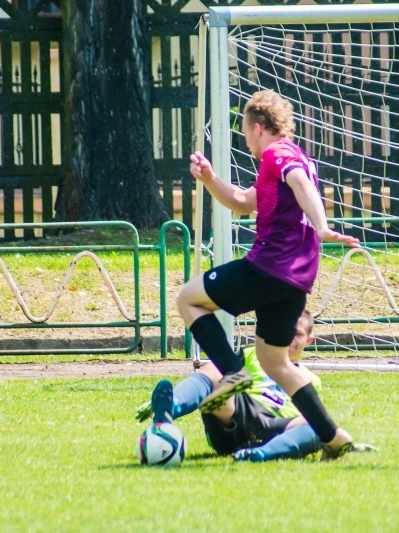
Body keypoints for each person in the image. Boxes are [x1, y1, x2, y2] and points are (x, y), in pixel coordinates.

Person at [181, 89, 360, 460]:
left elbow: (301, 183)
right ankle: (333, 437)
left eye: (245, 133)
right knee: (274, 362)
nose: (246, 142)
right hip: (296, 278)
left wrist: (323, 226)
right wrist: (210, 179)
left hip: (269, 266)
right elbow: (244, 203)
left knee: (188, 299)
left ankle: (233, 372)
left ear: (258, 128)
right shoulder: (294, 157)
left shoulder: (278, 154)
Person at [141, 311, 372, 462]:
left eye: (298, 334)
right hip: (236, 413)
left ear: (308, 340)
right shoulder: (254, 353)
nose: (289, 338)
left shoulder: (310, 379)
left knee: (316, 425)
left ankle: (260, 454)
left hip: (276, 427)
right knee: (217, 374)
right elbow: (216, 373)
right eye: (286, 330)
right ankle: (173, 405)